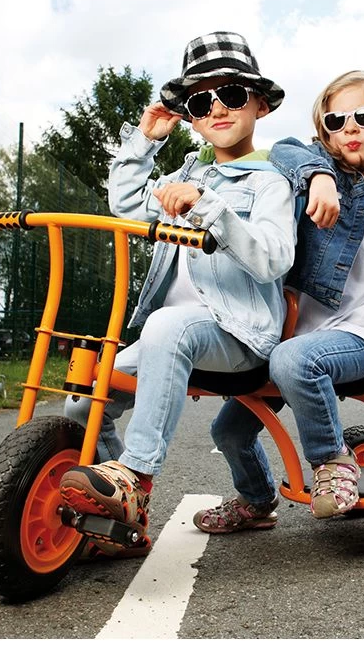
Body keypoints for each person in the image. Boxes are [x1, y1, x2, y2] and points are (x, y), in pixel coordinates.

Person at [58, 31, 296, 553]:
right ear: (189, 116)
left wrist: (207, 206)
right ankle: (118, 517)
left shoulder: (271, 182)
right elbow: (126, 204)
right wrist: (145, 141)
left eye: (230, 94)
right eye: (200, 102)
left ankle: (136, 478)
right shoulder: (187, 172)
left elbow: (274, 257)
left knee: (168, 325)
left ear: (260, 104)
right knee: (84, 398)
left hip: (239, 336)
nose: (217, 108)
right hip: (171, 338)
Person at [193, 69, 364, 532]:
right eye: (335, 122)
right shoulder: (321, 171)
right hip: (295, 337)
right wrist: (319, 177)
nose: (349, 129)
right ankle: (256, 500)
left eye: (363, 116)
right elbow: (283, 150)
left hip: (360, 339)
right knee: (229, 430)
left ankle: (333, 460)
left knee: (294, 361)